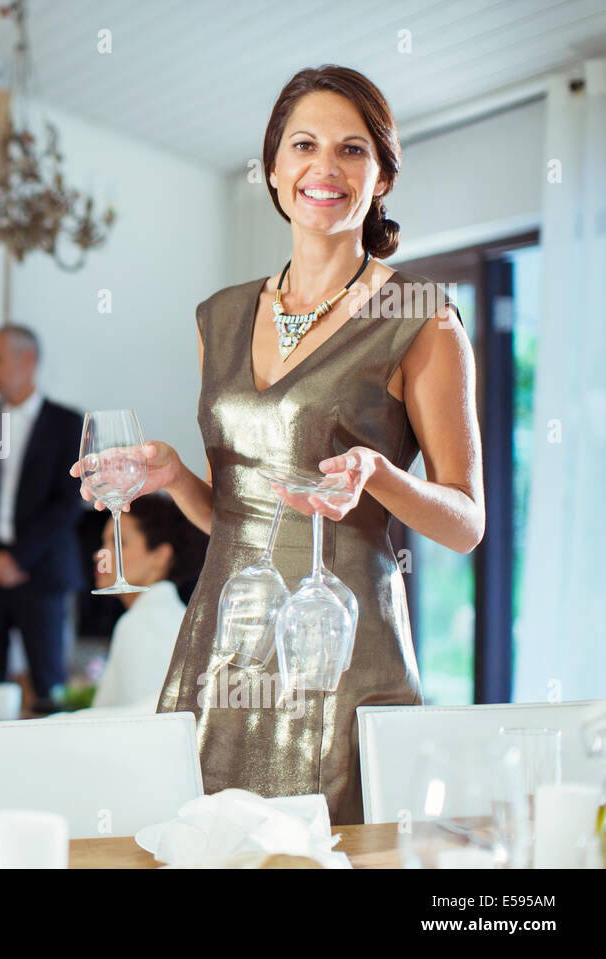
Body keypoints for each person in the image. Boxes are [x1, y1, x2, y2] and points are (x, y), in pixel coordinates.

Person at [72, 65, 484, 825]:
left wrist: (381, 474)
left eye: (353, 150)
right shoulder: (219, 317)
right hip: (221, 646)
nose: (325, 168)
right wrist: (171, 474)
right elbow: (240, 520)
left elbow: (465, 521)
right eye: (304, 145)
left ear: (382, 175)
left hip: (340, 653)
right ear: (272, 167)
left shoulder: (421, 318)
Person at [0, 325, 83, 713]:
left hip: (42, 571)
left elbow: (68, 501)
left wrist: (19, 558)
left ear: (28, 360)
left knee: (49, 685)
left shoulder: (67, 423)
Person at [90, 492, 208, 710]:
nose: (100, 554)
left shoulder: (143, 623)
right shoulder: (174, 616)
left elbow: (142, 722)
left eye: (119, 542)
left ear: (160, 556)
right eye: (104, 542)